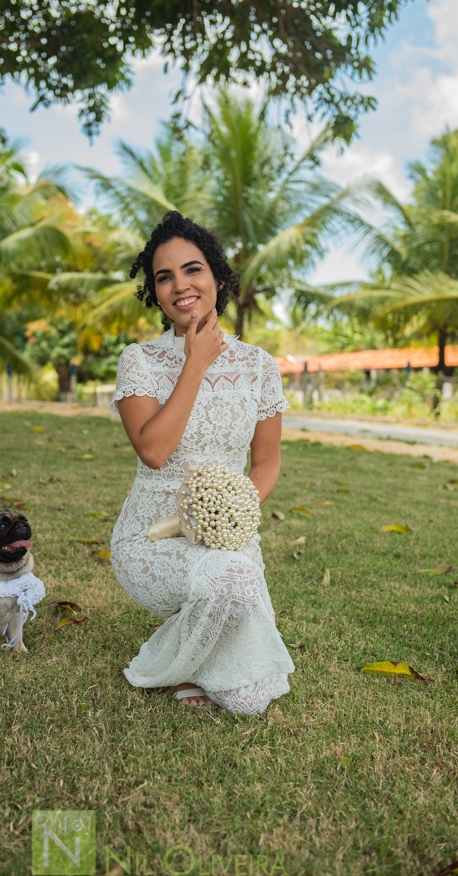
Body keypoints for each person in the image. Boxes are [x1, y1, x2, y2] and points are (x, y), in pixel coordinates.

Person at [109, 211, 294, 715]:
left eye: (192, 270)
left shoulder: (258, 365)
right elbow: (153, 451)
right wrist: (196, 363)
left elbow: (267, 463)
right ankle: (169, 656)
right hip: (150, 538)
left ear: (216, 276)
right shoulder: (140, 360)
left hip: (227, 536)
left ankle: (194, 640)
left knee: (252, 699)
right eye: (163, 277)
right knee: (232, 583)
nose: (180, 286)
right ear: (154, 291)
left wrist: (228, 513)